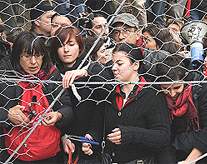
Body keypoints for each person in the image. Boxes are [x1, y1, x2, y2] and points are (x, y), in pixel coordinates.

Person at [81, 43, 171, 163]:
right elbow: (97, 126)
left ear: (135, 65)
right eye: (112, 63)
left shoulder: (152, 95)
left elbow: (163, 136)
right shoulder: (109, 93)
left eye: (119, 64)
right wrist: (91, 139)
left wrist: (132, 134)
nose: (113, 68)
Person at [0, 31, 73, 163]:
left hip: (49, 153)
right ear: (17, 57)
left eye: (38, 56)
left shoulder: (52, 75)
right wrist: (8, 115)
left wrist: (58, 115)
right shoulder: (5, 77)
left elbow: (67, 107)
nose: (33, 62)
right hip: (14, 155)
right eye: (27, 56)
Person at [155, 54, 207, 164]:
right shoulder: (157, 95)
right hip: (181, 153)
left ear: (186, 77)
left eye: (177, 87)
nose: (172, 94)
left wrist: (191, 159)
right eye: (166, 89)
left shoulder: (202, 87)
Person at [50, 26, 112, 163]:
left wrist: (86, 72)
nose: (66, 50)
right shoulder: (53, 75)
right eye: (61, 46)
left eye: (71, 45)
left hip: (95, 144)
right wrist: (63, 136)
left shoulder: (93, 68)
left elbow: (111, 91)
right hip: (69, 146)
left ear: (80, 47)